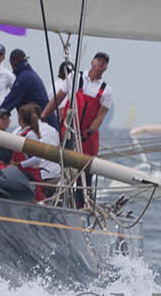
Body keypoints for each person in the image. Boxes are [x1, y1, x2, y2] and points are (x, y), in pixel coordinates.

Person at [46, 51, 113, 205]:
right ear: (92, 61)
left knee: (86, 171)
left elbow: (100, 116)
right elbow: (59, 98)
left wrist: (88, 132)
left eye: (104, 62)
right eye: (99, 60)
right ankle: (58, 198)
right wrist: (43, 116)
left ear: (106, 67)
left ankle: (83, 204)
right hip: (69, 129)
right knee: (63, 165)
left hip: (88, 136)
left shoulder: (106, 90)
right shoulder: (76, 77)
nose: (100, 63)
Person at [14, 103, 61, 198]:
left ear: (20, 118)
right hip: (52, 174)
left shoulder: (26, 134)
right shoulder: (52, 130)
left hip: (34, 176)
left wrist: (19, 164)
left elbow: (37, 158)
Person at [0, 48, 50, 117]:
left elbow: (11, 100)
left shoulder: (24, 78)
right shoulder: (29, 74)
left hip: (42, 120)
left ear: (12, 63)